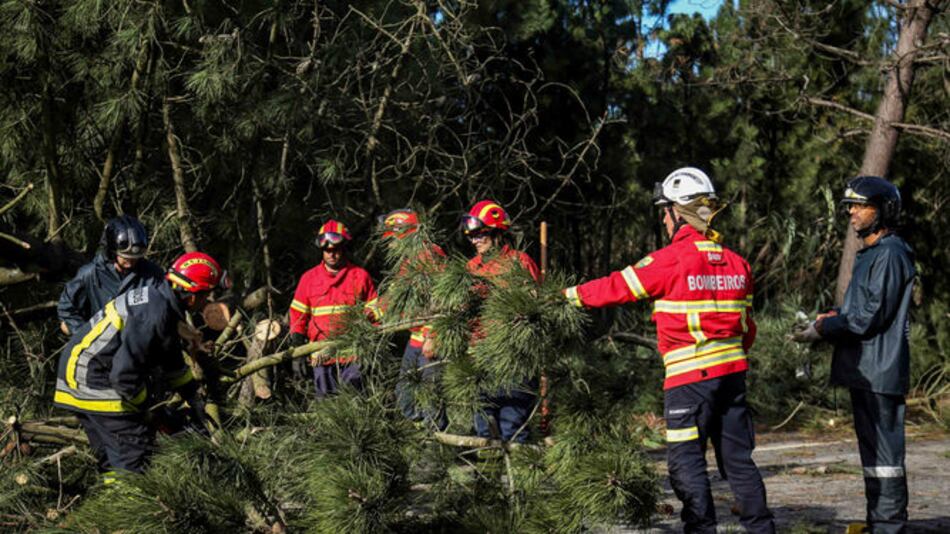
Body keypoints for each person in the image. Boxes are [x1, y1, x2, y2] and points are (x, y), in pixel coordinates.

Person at [563, 168, 774, 533]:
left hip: (689, 382)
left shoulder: (671, 259)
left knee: (686, 463)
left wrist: (567, 296)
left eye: (665, 210)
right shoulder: (739, 264)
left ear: (681, 211)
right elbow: (747, 329)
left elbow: (616, 287)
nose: (663, 219)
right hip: (733, 376)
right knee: (739, 462)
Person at [792, 176, 914, 534]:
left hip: (880, 372)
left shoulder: (890, 253)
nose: (851, 213)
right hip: (868, 371)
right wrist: (831, 317)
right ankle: (880, 522)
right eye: (849, 206)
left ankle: (889, 526)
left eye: (860, 205)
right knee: (874, 458)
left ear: (884, 210)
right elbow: (860, 310)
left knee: (885, 459)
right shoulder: (875, 253)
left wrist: (824, 329)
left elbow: (868, 317)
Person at [53, 251, 226, 481]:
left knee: (113, 460)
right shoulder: (154, 314)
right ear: (193, 296)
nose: (207, 302)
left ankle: (108, 509)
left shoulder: (160, 301)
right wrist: (147, 410)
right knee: (134, 454)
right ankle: (127, 511)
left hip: (78, 375)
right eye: (207, 296)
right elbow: (124, 376)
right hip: (93, 379)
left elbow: (170, 357)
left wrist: (192, 394)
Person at [462, 200, 540, 443]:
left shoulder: (520, 263)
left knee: (513, 426)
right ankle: (487, 480)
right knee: (483, 428)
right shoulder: (469, 268)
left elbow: (535, 309)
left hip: (514, 357)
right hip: (479, 356)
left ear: (497, 233)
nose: (474, 241)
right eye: (471, 236)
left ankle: (521, 480)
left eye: (480, 235)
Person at [289, 219, 377, 398]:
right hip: (321, 355)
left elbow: (374, 312)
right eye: (327, 250)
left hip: (353, 354)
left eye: (335, 249)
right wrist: (297, 349)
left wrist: (371, 347)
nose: (332, 254)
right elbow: (298, 315)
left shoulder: (360, 276)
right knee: (327, 407)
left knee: (355, 404)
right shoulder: (309, 279)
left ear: (343, 248)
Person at [380, 209, 449, 430]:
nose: (389, 245)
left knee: (431, 399)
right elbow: (397, 299)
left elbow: (446, 302)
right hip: (416, 340)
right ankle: (422, 437)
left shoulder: (430, 258)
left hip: (431, 341)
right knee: (405, 396)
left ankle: (435, 450)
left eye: (391, 238)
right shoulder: (408, 263)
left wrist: (435, 336)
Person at [58, 215, 165, 335]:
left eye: (135, 258)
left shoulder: (153, 274)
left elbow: (166, 308)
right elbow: (66, 310)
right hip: (104, 347)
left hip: (140, 345)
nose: (130, 262)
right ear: (111, 252)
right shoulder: (90, 275)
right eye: (125, 257)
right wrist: (88, 336)